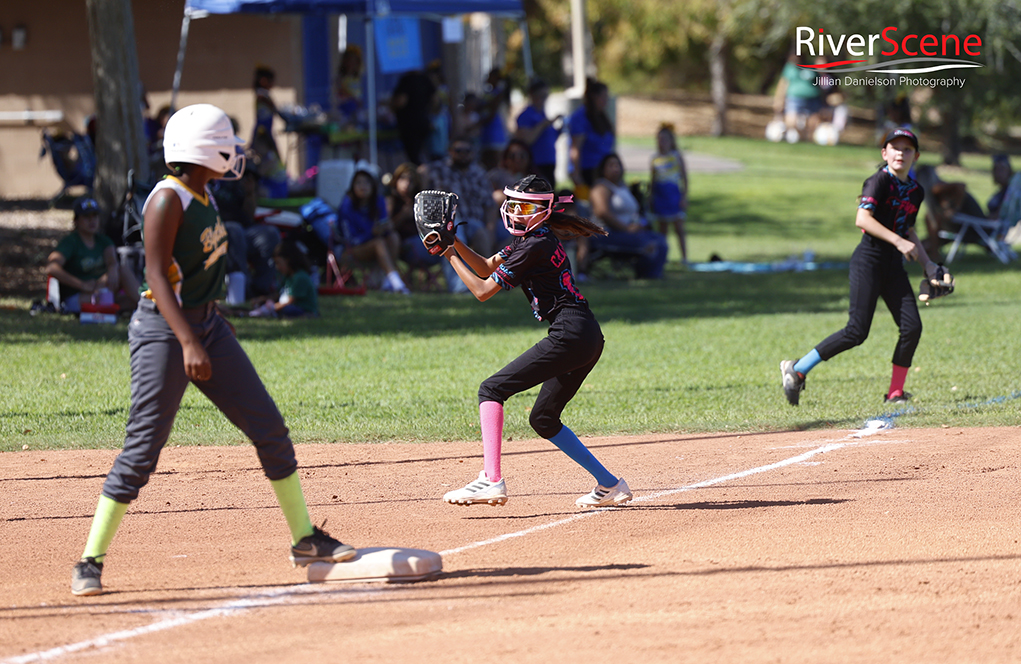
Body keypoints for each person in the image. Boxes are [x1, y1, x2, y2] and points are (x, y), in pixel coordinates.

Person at [69, 104, 355, 597]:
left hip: (206, 326)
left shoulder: (203, 193)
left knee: (269, 427)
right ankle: (89, 562)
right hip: (164, 331)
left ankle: (304, 539)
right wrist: (187, 340)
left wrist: (213, 324)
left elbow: (198, 273)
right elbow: (156, 277)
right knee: (142, 450)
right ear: (205, 151)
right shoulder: (167, 199)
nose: (235, 153)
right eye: (226, 144)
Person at [438, 174, 633, 508]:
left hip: (571, 334)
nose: (516, 211)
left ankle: (491, 478)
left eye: (525, 206)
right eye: (513, 204)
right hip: (586, 335)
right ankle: (609, 483)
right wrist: (453, 242)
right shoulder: (533, 238)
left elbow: (482, 290)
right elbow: (485, 267)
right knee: (543, 418)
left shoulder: (535, 244)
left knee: (491, 389)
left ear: (543, 211)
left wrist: (446, 254)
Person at [780, 128, 941, 407]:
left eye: (907, 149)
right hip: (868, 260)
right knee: (857, 331)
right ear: (884, 153)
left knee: (912, 327)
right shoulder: (878, 181)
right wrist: (898, 242)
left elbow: (909, 229)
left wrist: (928, 265)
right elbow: (862, 219)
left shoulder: (916, 192)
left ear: (916, 156)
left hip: (893, 267)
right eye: (895, 148)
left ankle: (895, 393)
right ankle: (797, 368)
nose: (900, 153)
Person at [421, 136, 496, 292]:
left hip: (475, 221)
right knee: (454, 234)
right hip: (447, 222)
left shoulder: (478, 172)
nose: (462, 154)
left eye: (467, 151)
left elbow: (490, 204)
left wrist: (490, 228)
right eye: (458, 151)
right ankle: (459, 286)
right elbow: (420, 173)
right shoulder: (439, 169)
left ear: (472, 153)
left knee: (490, 234)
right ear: (450, 152)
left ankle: (492, 281)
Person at [47, 196, 139, 314]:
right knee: (105, 294)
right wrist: (82, 285)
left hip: (103, 291)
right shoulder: (70, 242)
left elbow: (111, 259)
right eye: (86, 217)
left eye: (95, 216)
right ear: (76, 221)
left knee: (122, 270)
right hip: (79, 296)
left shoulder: (103, 240)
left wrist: (113, 268)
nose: (92, 221)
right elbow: (51, 268)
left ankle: (148, 306)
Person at [588, 153, 669, 279]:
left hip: (628, 231)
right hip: (608, 233)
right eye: (610, 165)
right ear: (603, 169)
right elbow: (602, 212)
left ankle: (653, 275)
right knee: (647, 243)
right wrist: (626, 229)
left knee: (660, 240)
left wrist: (639, 225)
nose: (615, 168)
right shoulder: (601, 187)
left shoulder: (622, 186)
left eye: (617, 165)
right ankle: (648, 275)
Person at [338, 169, 410, 294]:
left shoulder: (378, 201)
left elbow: (383, 225)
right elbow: (348, 239)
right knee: (378, 243)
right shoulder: (347, 204)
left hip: (376, 247)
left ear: (373, 185)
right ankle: (396, 283)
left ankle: (387, 282)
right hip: (350, 251)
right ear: (353, 186)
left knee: (393, 237)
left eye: (366, 183)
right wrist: (372, 233)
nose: (362, 187)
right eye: (358, 183)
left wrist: (386, 228)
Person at [387, 162, 440, 274]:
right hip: (404, 246)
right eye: (403, 179)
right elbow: (387, 228)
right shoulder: (391, 201)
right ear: (396, 180)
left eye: (411, 180)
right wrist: (403, 215)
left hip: (424, 242)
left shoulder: (419, 201)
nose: (407, 183)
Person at [648, 123, 689, 265]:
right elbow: (652, 179)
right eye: (659, 139)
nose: (662, 142)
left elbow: (684, 178)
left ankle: (684, 257)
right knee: (662, 230)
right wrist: (651, 197)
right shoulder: (655, 158)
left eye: (665, 139)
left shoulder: (676, 156)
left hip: (674, 195)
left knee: (679, 228)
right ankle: (662, 257)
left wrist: (684, 196)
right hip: (660, 195)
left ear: (671, 141)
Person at [569, 79, 615, 196]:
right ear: (594, 97)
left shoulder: (601, 117)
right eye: (603, 97)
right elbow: (575, 149)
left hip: (604, 170)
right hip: (589, 170)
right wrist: (576, 175)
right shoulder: (580, 118)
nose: (606, 101)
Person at [250, 240, 319, 318]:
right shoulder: (287, 277)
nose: (277, 267)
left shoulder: (299, 277)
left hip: (303, 310)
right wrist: (263, 299)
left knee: (287, 309)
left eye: (278, 263)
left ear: (288, 260)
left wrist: (270, 309)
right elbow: (278, 295)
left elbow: (289, 301)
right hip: (288, 306)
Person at [488, 139, 537, 247]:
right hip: (503, 219)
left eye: (522, 156)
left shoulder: (536, 178)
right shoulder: (497, 175)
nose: (517, 160)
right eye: (513, 156)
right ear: (506, 158)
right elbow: (490, 199)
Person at [515, 77, 562, 186]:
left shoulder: (543, 114)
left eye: (546, 96)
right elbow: (527, 139)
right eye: (540, 96)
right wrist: (543, 124)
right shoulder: (526, 115)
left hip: (549, 161)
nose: (543, 99)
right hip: (536, 163)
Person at [391, 67, 436, 165]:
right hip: (424, 122)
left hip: (410, 125)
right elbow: (435, 101)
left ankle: (419, 176)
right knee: (423, 155)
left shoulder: (406, 80)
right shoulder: (426, 79)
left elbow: (401, 101)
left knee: (414, 158)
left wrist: (392, 105)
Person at [478, 68, 510, 171]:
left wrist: (475, 125)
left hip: (495, 133)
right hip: (486, 133)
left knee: (495, 164)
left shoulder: (499, 93)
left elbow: (491, 112)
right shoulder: (488, 93)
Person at [335, 45, 364, 127]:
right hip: (345, 109)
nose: (351, 64)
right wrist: (352, 98)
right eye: (348, 61)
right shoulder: (341, 78)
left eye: (353, 62)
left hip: (357, 109)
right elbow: (340, 92)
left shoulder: (358, 78)